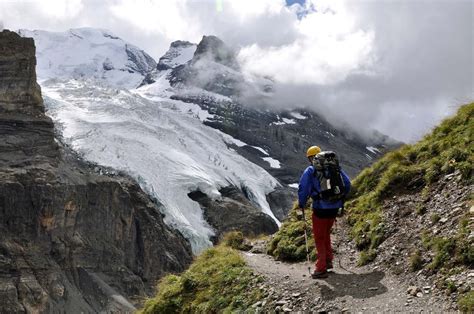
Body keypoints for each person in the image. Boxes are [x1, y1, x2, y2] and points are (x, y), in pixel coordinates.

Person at [298, 145, 351, 279]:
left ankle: (321, 268)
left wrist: (302, 203)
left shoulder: (311, 170)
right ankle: (328, 260)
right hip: (334, 208)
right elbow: (347, 183)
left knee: (319, 238)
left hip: (320, 208)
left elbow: (303, 188)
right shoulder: (335, 168)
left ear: (311, 158)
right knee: (326, 234)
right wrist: (340, 198)